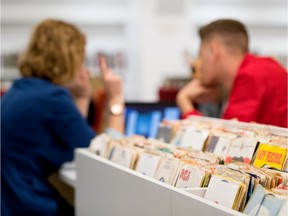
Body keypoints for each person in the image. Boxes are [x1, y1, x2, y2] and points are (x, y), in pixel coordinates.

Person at [1, 19, 125, 216]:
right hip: (28, 205)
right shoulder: (52, 99)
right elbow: (104, 157)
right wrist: (116, 98)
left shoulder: (21, 89)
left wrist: (83, 97)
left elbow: (75, 140)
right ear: (69, 58)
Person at [176, 19, 287, 128]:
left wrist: (184, 101)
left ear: (214, 51)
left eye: (201, 55)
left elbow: (225, 141)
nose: (200, 64)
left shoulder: (250, 76)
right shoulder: (263, 67)